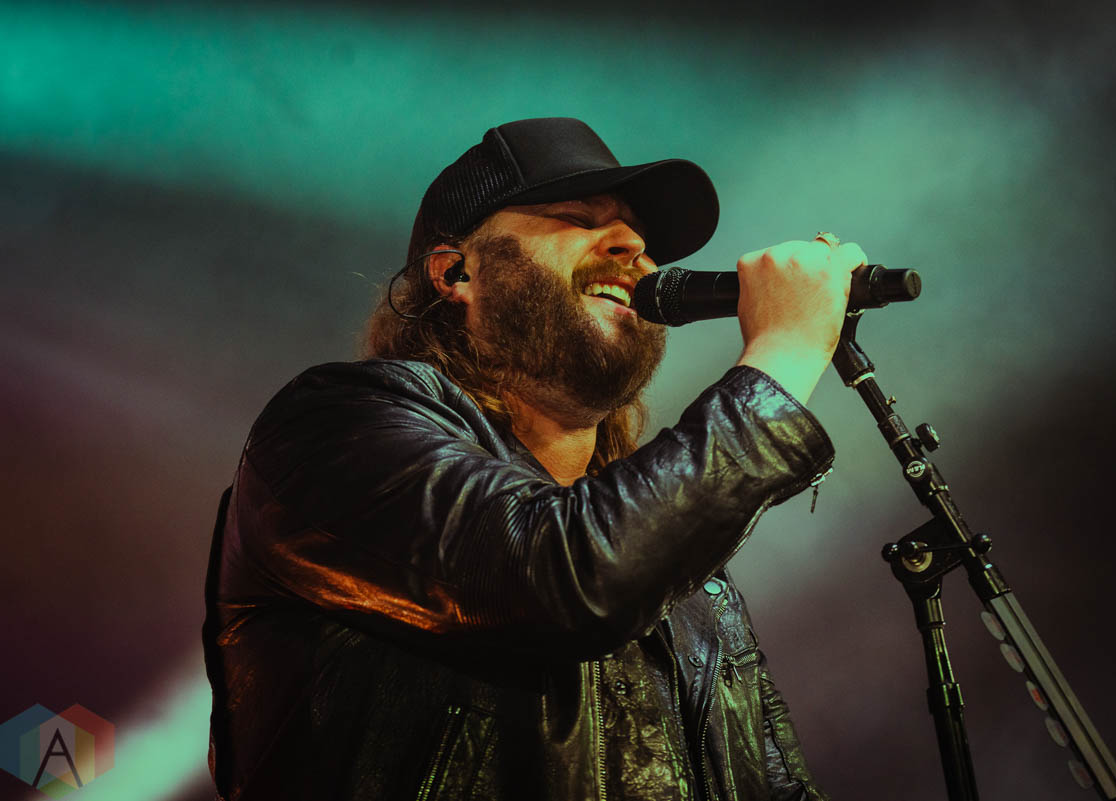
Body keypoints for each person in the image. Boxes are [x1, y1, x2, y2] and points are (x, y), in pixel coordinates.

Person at [203, 117, 866, 800]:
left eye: (639, 234)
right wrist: (782, 354)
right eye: (579, 218)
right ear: (455, 271)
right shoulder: (331, 428)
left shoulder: (683, 564)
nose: (634, 246)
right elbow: (564, 577)